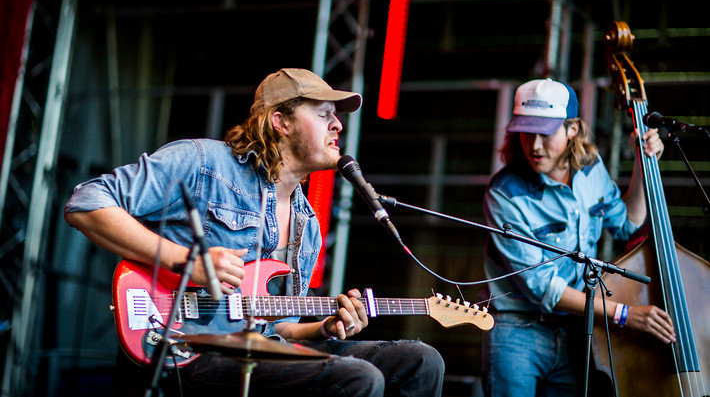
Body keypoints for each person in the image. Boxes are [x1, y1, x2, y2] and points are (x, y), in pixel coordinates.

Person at [64, 68, 445, 397]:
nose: (338, 125)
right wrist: (187, 261)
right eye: (324, 113)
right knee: (357, 378)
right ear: (280, 120)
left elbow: (273, 325)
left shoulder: (307, 222)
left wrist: (324, 326)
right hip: (182, 348)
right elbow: (86, 202)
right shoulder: (203, 162)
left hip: (256, 351)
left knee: (420, 362)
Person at [480, 78, 676, 397]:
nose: (534, 146)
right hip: (517, 331)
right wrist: (623, 313)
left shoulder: (591, 168)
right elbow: (544, 287)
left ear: (572, 129)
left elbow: (627, 223)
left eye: (545, 133)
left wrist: (643, 162)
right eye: (525, 132)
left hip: (577, 329)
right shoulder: (504, 194)